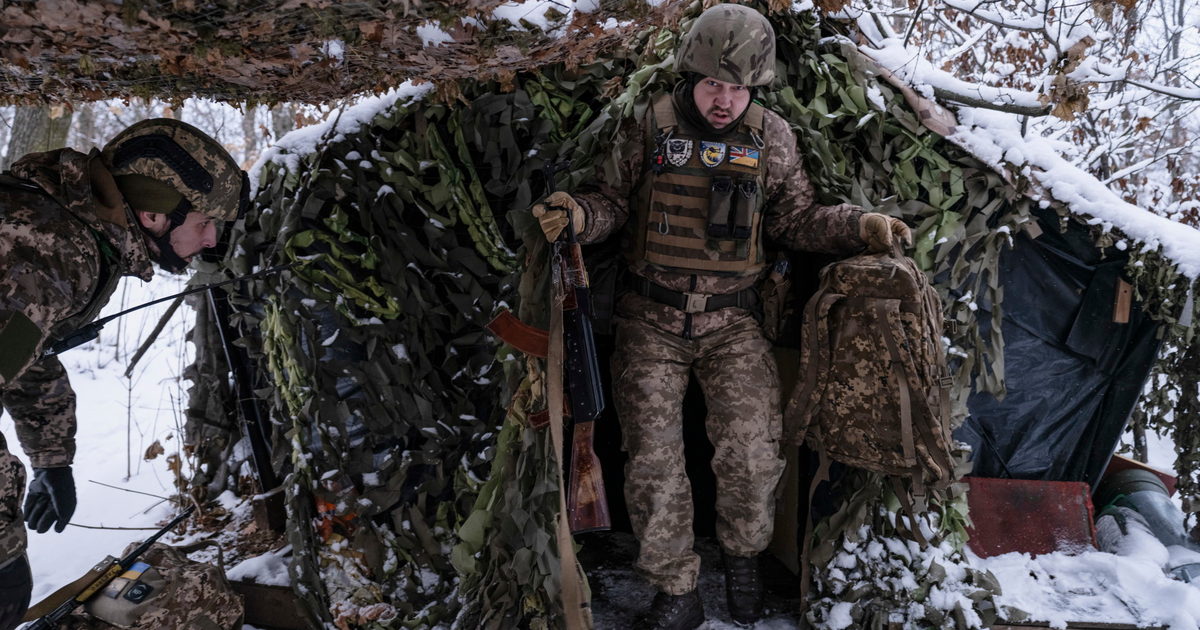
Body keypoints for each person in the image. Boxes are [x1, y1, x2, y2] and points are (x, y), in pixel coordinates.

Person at [532, 4, 910, 628]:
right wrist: (577, 215)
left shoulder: (771, 136)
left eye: (737, 88)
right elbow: (611, 205)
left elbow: (794, 219)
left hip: (735, 324)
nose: (724, 100)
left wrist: (857, 226)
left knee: (753, 456)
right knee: (653, 462)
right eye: (714, 84)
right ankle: (676, 591)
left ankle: (743, 560)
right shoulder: (649, 126)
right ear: (691, 78)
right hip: (649, 320)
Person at [0, 118, 247, 630]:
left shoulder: (70, 231)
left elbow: (29, 352)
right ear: (154, 213)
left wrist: (51, 457)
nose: (210, 241)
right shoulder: (47, 247)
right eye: (204, 222)